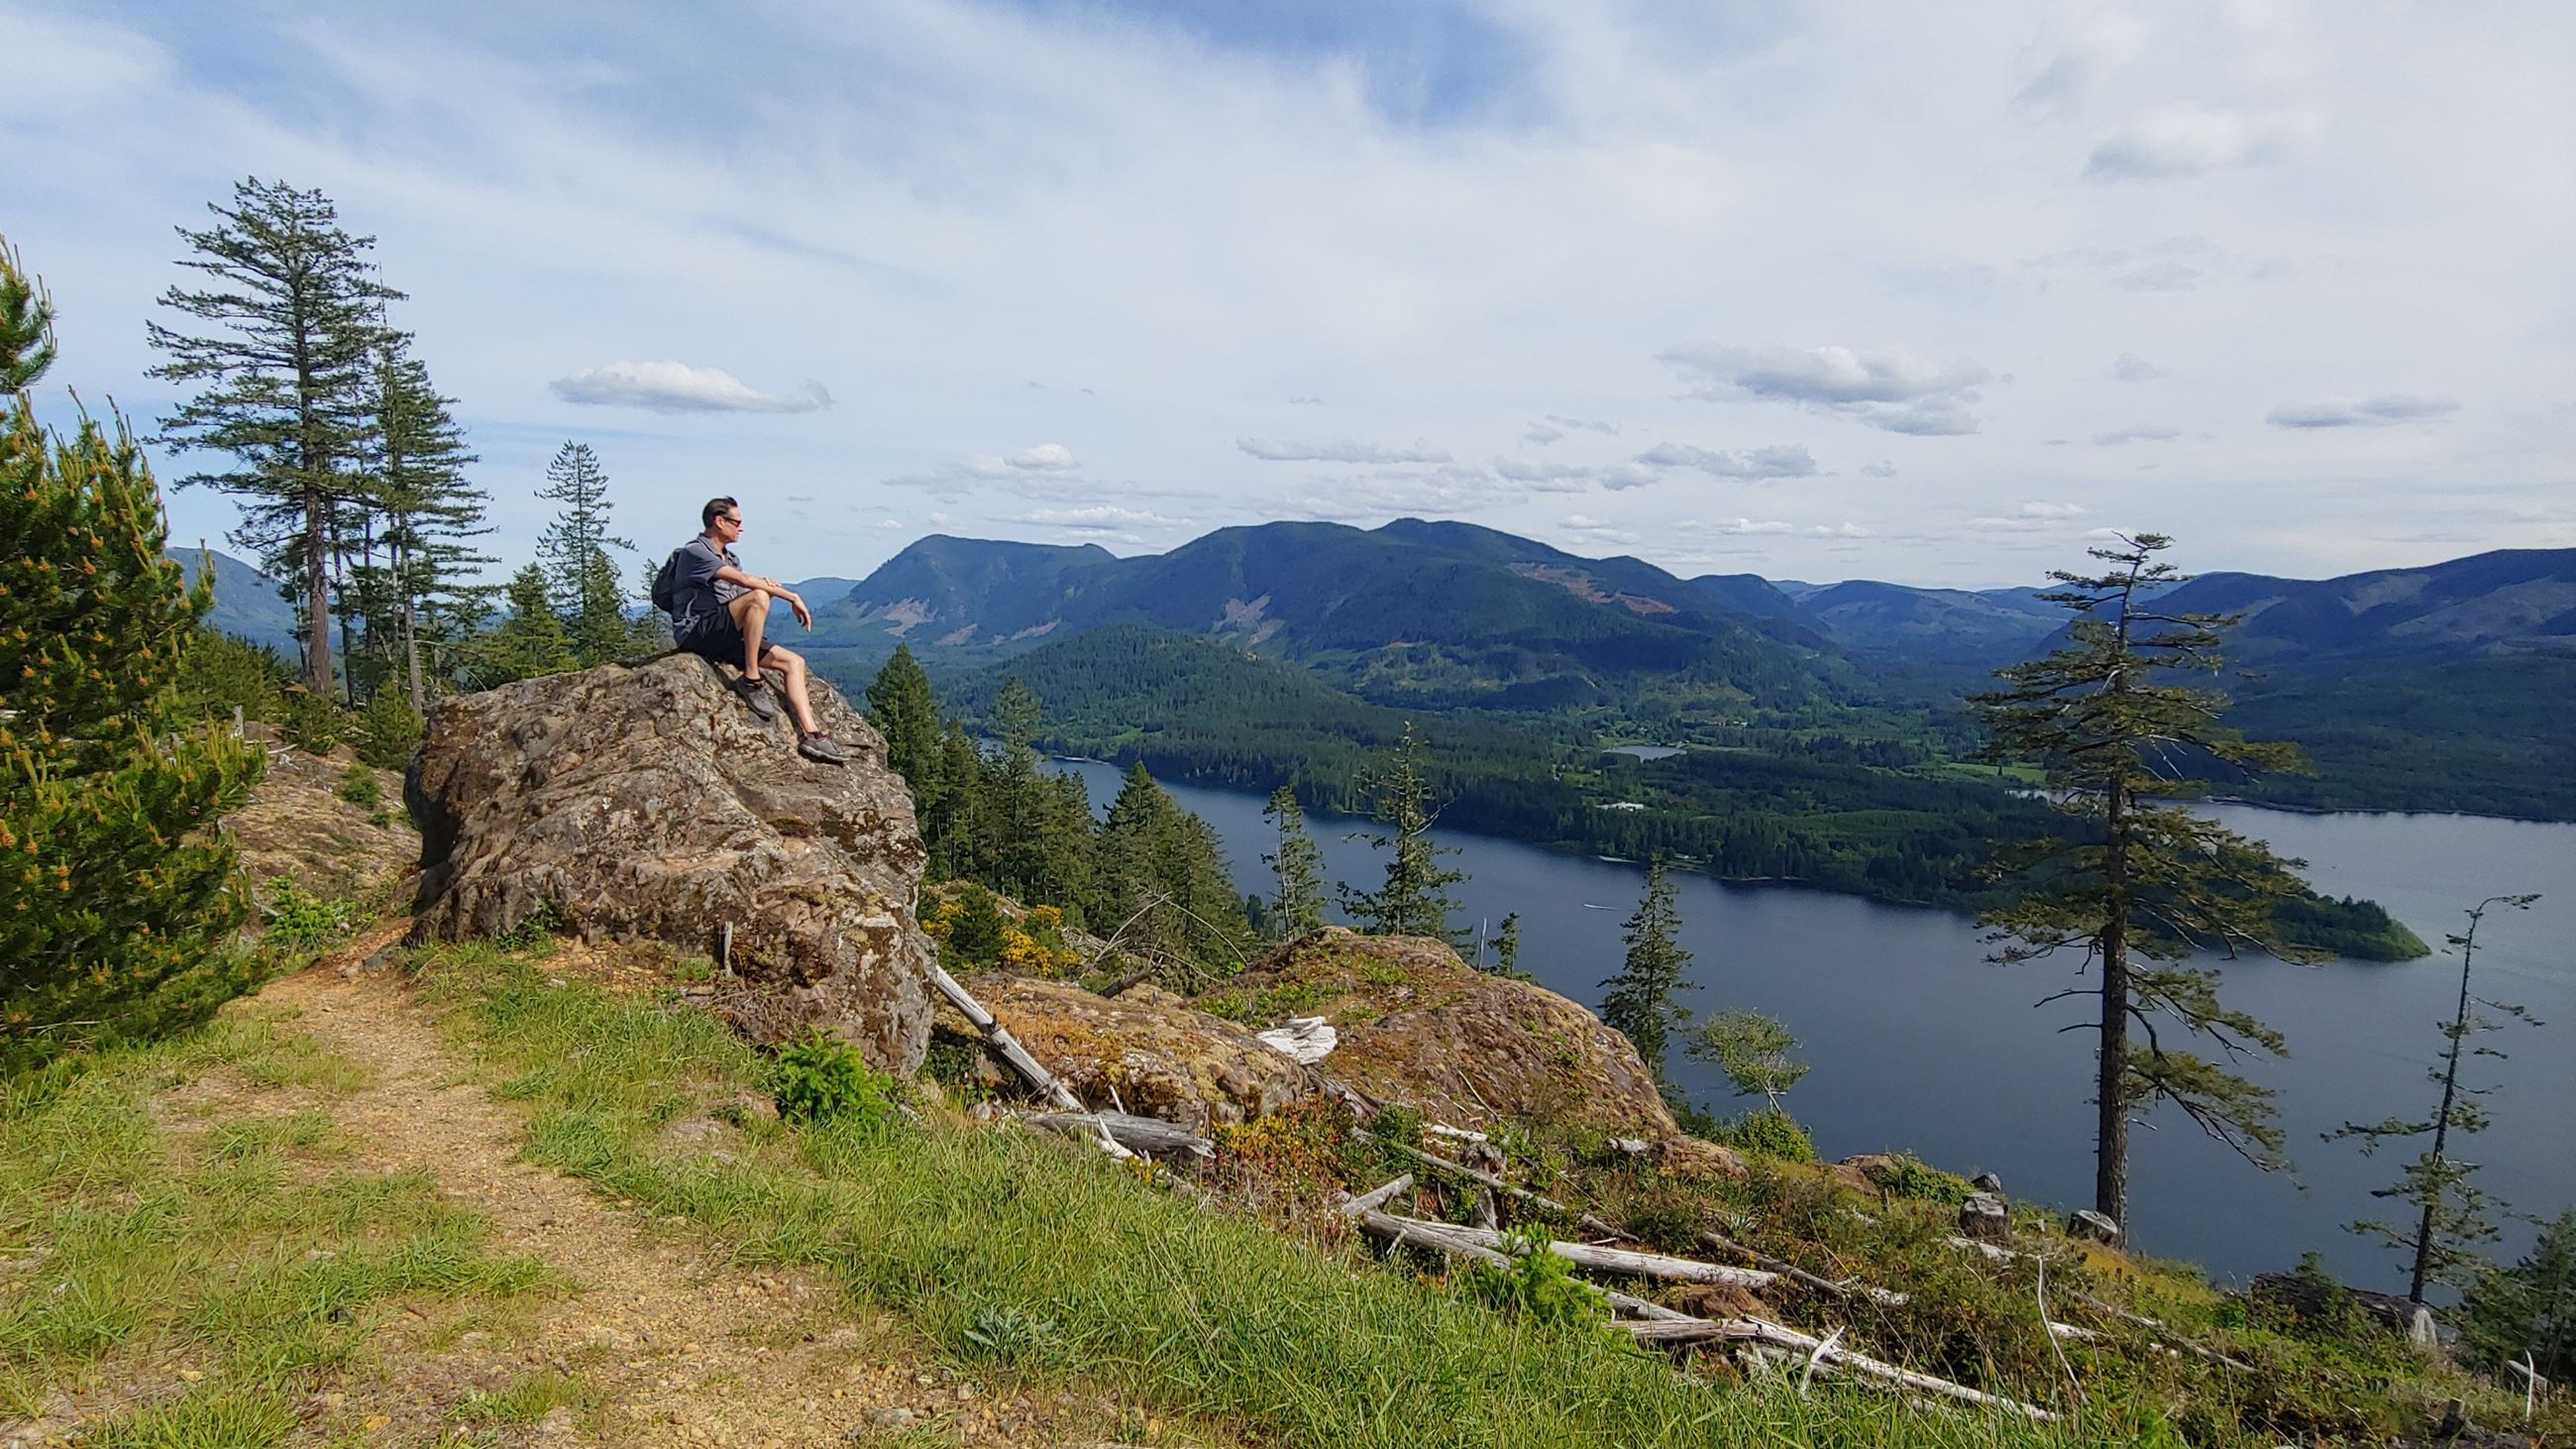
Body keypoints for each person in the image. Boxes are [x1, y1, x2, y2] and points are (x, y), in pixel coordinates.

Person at [667, 497, 851, 764]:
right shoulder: (696, 552)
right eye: (737, 522)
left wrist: (770, 591)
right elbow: (744, 583)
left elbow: (742, 596)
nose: (741, 528)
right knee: (758, 597)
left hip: (723, 635)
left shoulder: (730, 557)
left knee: (794, 662)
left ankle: (812, 735)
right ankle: (751, 679)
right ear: (719, 521)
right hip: (698, 632)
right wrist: (791, 596)